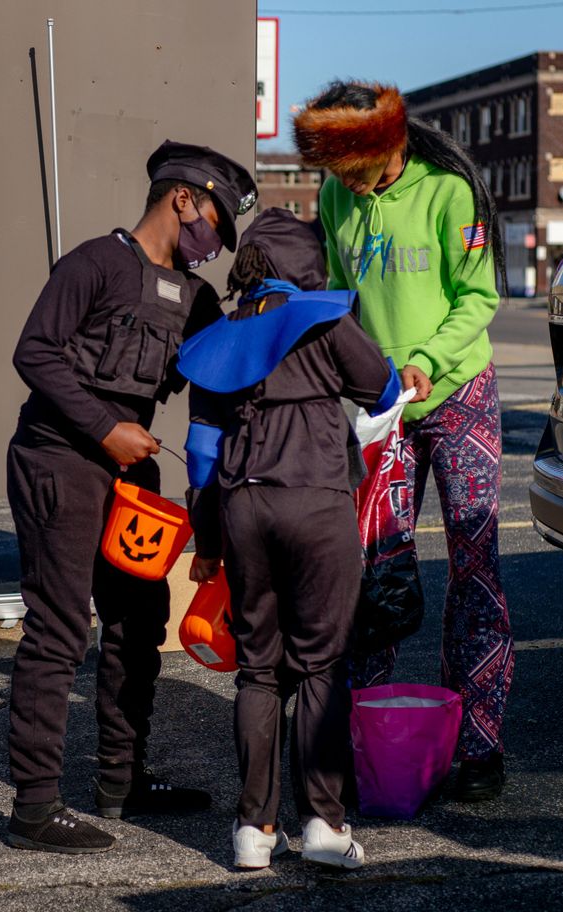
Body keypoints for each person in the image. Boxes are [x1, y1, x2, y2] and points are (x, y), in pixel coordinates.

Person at [4, 140, 257, 854]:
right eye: (212, 218)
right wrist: (103, 428)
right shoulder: (93, 264)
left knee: (139, 620)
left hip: (129, 476)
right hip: (58, 458)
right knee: (57, 630)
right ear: (182, 199)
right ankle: (33, 806)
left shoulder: (199, 300)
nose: (212, 241)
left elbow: (222, 380)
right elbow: (35, 352)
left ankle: (122, 779)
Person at [294, 81, 513, 802]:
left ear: (387, 141)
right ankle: (358, 741)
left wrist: (426, 362)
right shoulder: (337, 200)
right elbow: (339, 293)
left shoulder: (449, 195)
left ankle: (479, 748)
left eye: (351, 168)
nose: (345, 184)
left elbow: (479, 299)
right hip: (380, 410)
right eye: (335, 173)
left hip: (457, 399)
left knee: (472, 568)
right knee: (374, 574)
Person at [178, 208, 399, 869]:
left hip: (243, 508)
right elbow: (382, 386)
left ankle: (253, 831)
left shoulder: (222, 335)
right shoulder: (324, 318)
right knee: (321, 667)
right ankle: (324, 828)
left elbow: (200, 457)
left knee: (258, 671)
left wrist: (209, 542)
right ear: (305, 262)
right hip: (316, 501)